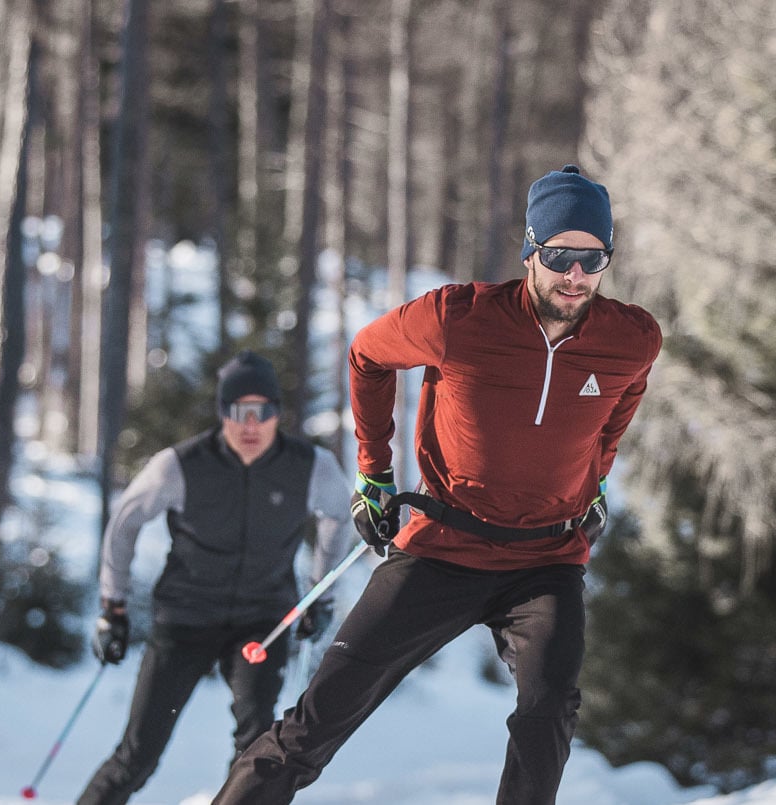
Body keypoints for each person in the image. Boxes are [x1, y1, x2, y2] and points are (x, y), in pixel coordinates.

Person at [212, 165, 662, 805]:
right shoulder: (457, 317)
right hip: (443, 545)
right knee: (322, 717)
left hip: (546, 559)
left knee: (548, 712)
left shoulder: (632, 338)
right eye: (560, 255)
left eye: (594, 259)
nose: (575, 275)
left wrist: (595, 481)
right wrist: (374, 472)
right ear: (531, 250)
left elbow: (619, 408)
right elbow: (367, 355)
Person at [77, 350, 356, 805]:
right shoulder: (181, 464)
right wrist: (114, 605)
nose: (250, 424)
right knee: (138, 755)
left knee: (257, 746)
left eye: (261, 411)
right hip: (184, 619)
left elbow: (340, 516)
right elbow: (125, 522)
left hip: (262, 622)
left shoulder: (309, 465)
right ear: (222, 412)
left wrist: (319, 595)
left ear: (277, 414)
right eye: (237, 411)